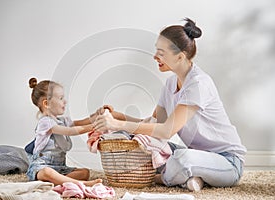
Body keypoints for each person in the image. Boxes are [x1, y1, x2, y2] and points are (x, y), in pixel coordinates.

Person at [93, 18, 247, 191]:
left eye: (161, 52)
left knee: (181, 159)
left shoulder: (198, 84)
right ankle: (189, 178)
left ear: (180, 56)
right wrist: (119, 118)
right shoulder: (170, 85)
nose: (155, 56)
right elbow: (154, 125)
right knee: (142, 144)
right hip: (198, 156)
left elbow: (167, 130)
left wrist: (118, 124)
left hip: (227, 161)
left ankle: (162, 178)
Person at [26, 77, 102, 186]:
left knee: (85, 172)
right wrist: (94, 126)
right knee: (47, 172)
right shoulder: (46, 122)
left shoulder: (62, 120)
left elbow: (83, 122)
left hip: (59, 168)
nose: (65, 101)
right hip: (42, 166)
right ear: (46, 103)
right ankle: (81, 184)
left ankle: (58, 181)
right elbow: (69, 131)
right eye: (61, 98)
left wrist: (98, 115)